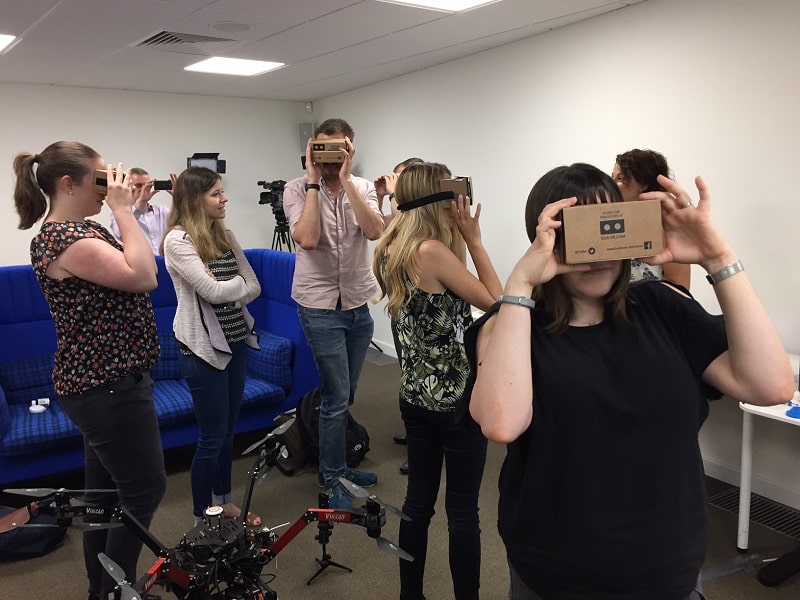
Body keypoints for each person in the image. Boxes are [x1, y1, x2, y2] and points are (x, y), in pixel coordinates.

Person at [466, 163, 795, 600]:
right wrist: (521, 283)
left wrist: (718, 257)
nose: (596, 253)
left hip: (668, 564)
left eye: (608, 227)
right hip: (555, 570)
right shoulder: (510, 323)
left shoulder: (660, 307)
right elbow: (501, 423)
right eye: (576, 231)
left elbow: (772, 387)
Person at [12, 141, 167, 600]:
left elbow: (136, 261)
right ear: (67, 184)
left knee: (103, 500)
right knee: (143, 492)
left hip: (105, 386)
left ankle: (101, 590)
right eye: (99, 180)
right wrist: (123, 209)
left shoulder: (85, 229)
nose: (106, 188)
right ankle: (117, 591)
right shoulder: (63, 238)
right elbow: (145, 276)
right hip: (107, 388)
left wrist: (125, 209)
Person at [374, 161, 502, 600]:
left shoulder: (395, 246)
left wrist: (457, 239)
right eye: (451, 191)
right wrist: (475, 241)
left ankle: (410, 595)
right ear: (436, 198)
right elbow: (498, 304)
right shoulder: (431, 252)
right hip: (456, 402)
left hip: (415, 395)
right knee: (463, 511)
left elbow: (449, 297)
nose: (458, 198)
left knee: (417, 503)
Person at [282, 117, 385, 509]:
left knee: (345, 393)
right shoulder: (296, 189)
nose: (328, 158)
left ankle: (338, 464)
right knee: (338, 395)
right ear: (311, 149)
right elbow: (307, 238)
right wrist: (313, 182)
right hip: (319, 306)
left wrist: (347, 181)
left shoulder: (362, 187)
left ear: (349, 149)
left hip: (357, 303)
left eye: (336, 150)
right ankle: (330, 478)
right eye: (321, 149)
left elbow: (374, 231)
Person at [161, 166, 262, 526]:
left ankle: (224, 501)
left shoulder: (225, 235)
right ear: (194, 199)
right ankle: (201, 516)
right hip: (202, 350)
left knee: (228, 432)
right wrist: (231, 287)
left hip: (237, 342)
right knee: (212, 436)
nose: (224, 198)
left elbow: (254, 285)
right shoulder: (178, 241)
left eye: (222, 191)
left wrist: (226, 288)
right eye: (216, 193)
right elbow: (212, 291)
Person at [375, 156, 425, 474]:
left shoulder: (423, 216)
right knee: (408, 373)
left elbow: (404, 223)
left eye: (402, 179)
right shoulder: (400, 210)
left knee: (419, 377)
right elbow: (381, 229)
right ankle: (415, 432)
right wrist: (381, 197)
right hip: (400, 305)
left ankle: (422, 447)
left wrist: (394, 195)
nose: (398, 184)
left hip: (420, 309)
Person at [612, 149, 691, 289]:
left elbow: (680, 286)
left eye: (620, 178)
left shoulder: (667, 226)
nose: (612, 185)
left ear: (643, 184)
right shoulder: (614, 222)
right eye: (612, 177)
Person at [110, 167, 171, 255]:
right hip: (142, 262)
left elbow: (185, 226)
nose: (144, 189)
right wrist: (140, 205)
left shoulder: (162, 211)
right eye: (139, 185)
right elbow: (119, 234)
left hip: (165, 261)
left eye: (147, 185)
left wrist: (180, 199)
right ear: (128, 187)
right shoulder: (120, 213)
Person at [375, 157, 424, 226]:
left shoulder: (426, 209)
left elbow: (402, 223)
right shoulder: (397, 212)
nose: (398, 184)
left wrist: (393, 193)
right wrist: (379, 195)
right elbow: (377, 226)